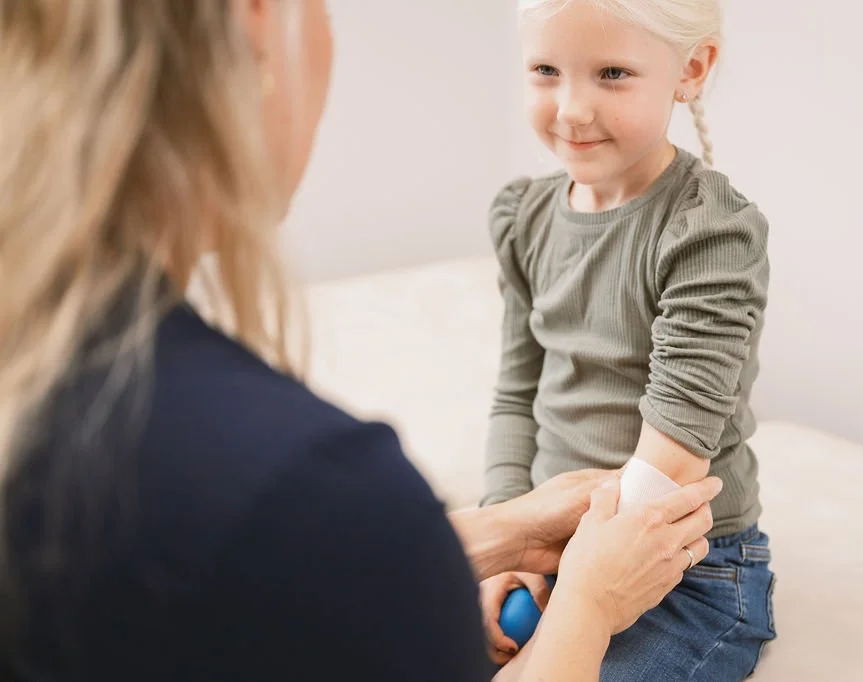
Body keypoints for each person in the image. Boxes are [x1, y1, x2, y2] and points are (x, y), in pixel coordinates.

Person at [0, 1, 723, 681]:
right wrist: (589, 605)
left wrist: (492, 531)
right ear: (257, 21)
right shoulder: (327, 500)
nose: (572, 108)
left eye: (612, 74)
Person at [479, 0, 777, 680]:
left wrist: (579, 594)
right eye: (547, 70)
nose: (573, 109)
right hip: (550, 547)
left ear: (691, 69)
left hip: (681, 564)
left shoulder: (708, 232)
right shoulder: (524, 217)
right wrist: (509, 542)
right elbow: (515, 394)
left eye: (612, 72)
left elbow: (669, 462)